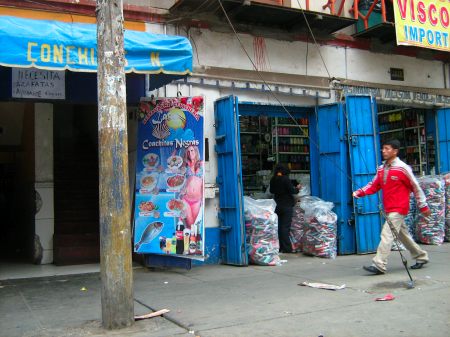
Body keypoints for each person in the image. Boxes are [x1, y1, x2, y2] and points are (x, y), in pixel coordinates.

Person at [353, 139, 431, 275]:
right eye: (383, 148)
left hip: (399, 208)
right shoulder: (382, 168)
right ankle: (421, 256)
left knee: (386, 234)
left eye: (387, 148)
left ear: (395, 151)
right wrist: (359, 192)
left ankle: (379, 264)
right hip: (388, 208)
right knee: (403, 235)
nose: (384, 151)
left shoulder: (403, 168)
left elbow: (415, 187)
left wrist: (423, 206)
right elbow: (374, 185)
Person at [270, 164, 301, 253]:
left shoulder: (273, 179)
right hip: (286, 205)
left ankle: (279, 247)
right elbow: (292, 191)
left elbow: (271, 191)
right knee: (285, 227)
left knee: (278, 227)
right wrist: (297, 188)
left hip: (277, 205)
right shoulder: (285, 179)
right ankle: (287, 248)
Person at [181, 145, 203, 228]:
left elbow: (203, 182)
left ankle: (192, 240)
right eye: (188, 151)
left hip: (197, 200)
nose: (190, 153)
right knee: (189, 225)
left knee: (195, 226)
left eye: (192, 150)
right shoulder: (185, 166)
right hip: (186, 199)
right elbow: (174, 169)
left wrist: (203, 198)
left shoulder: (201, 164)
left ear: (196, 151)